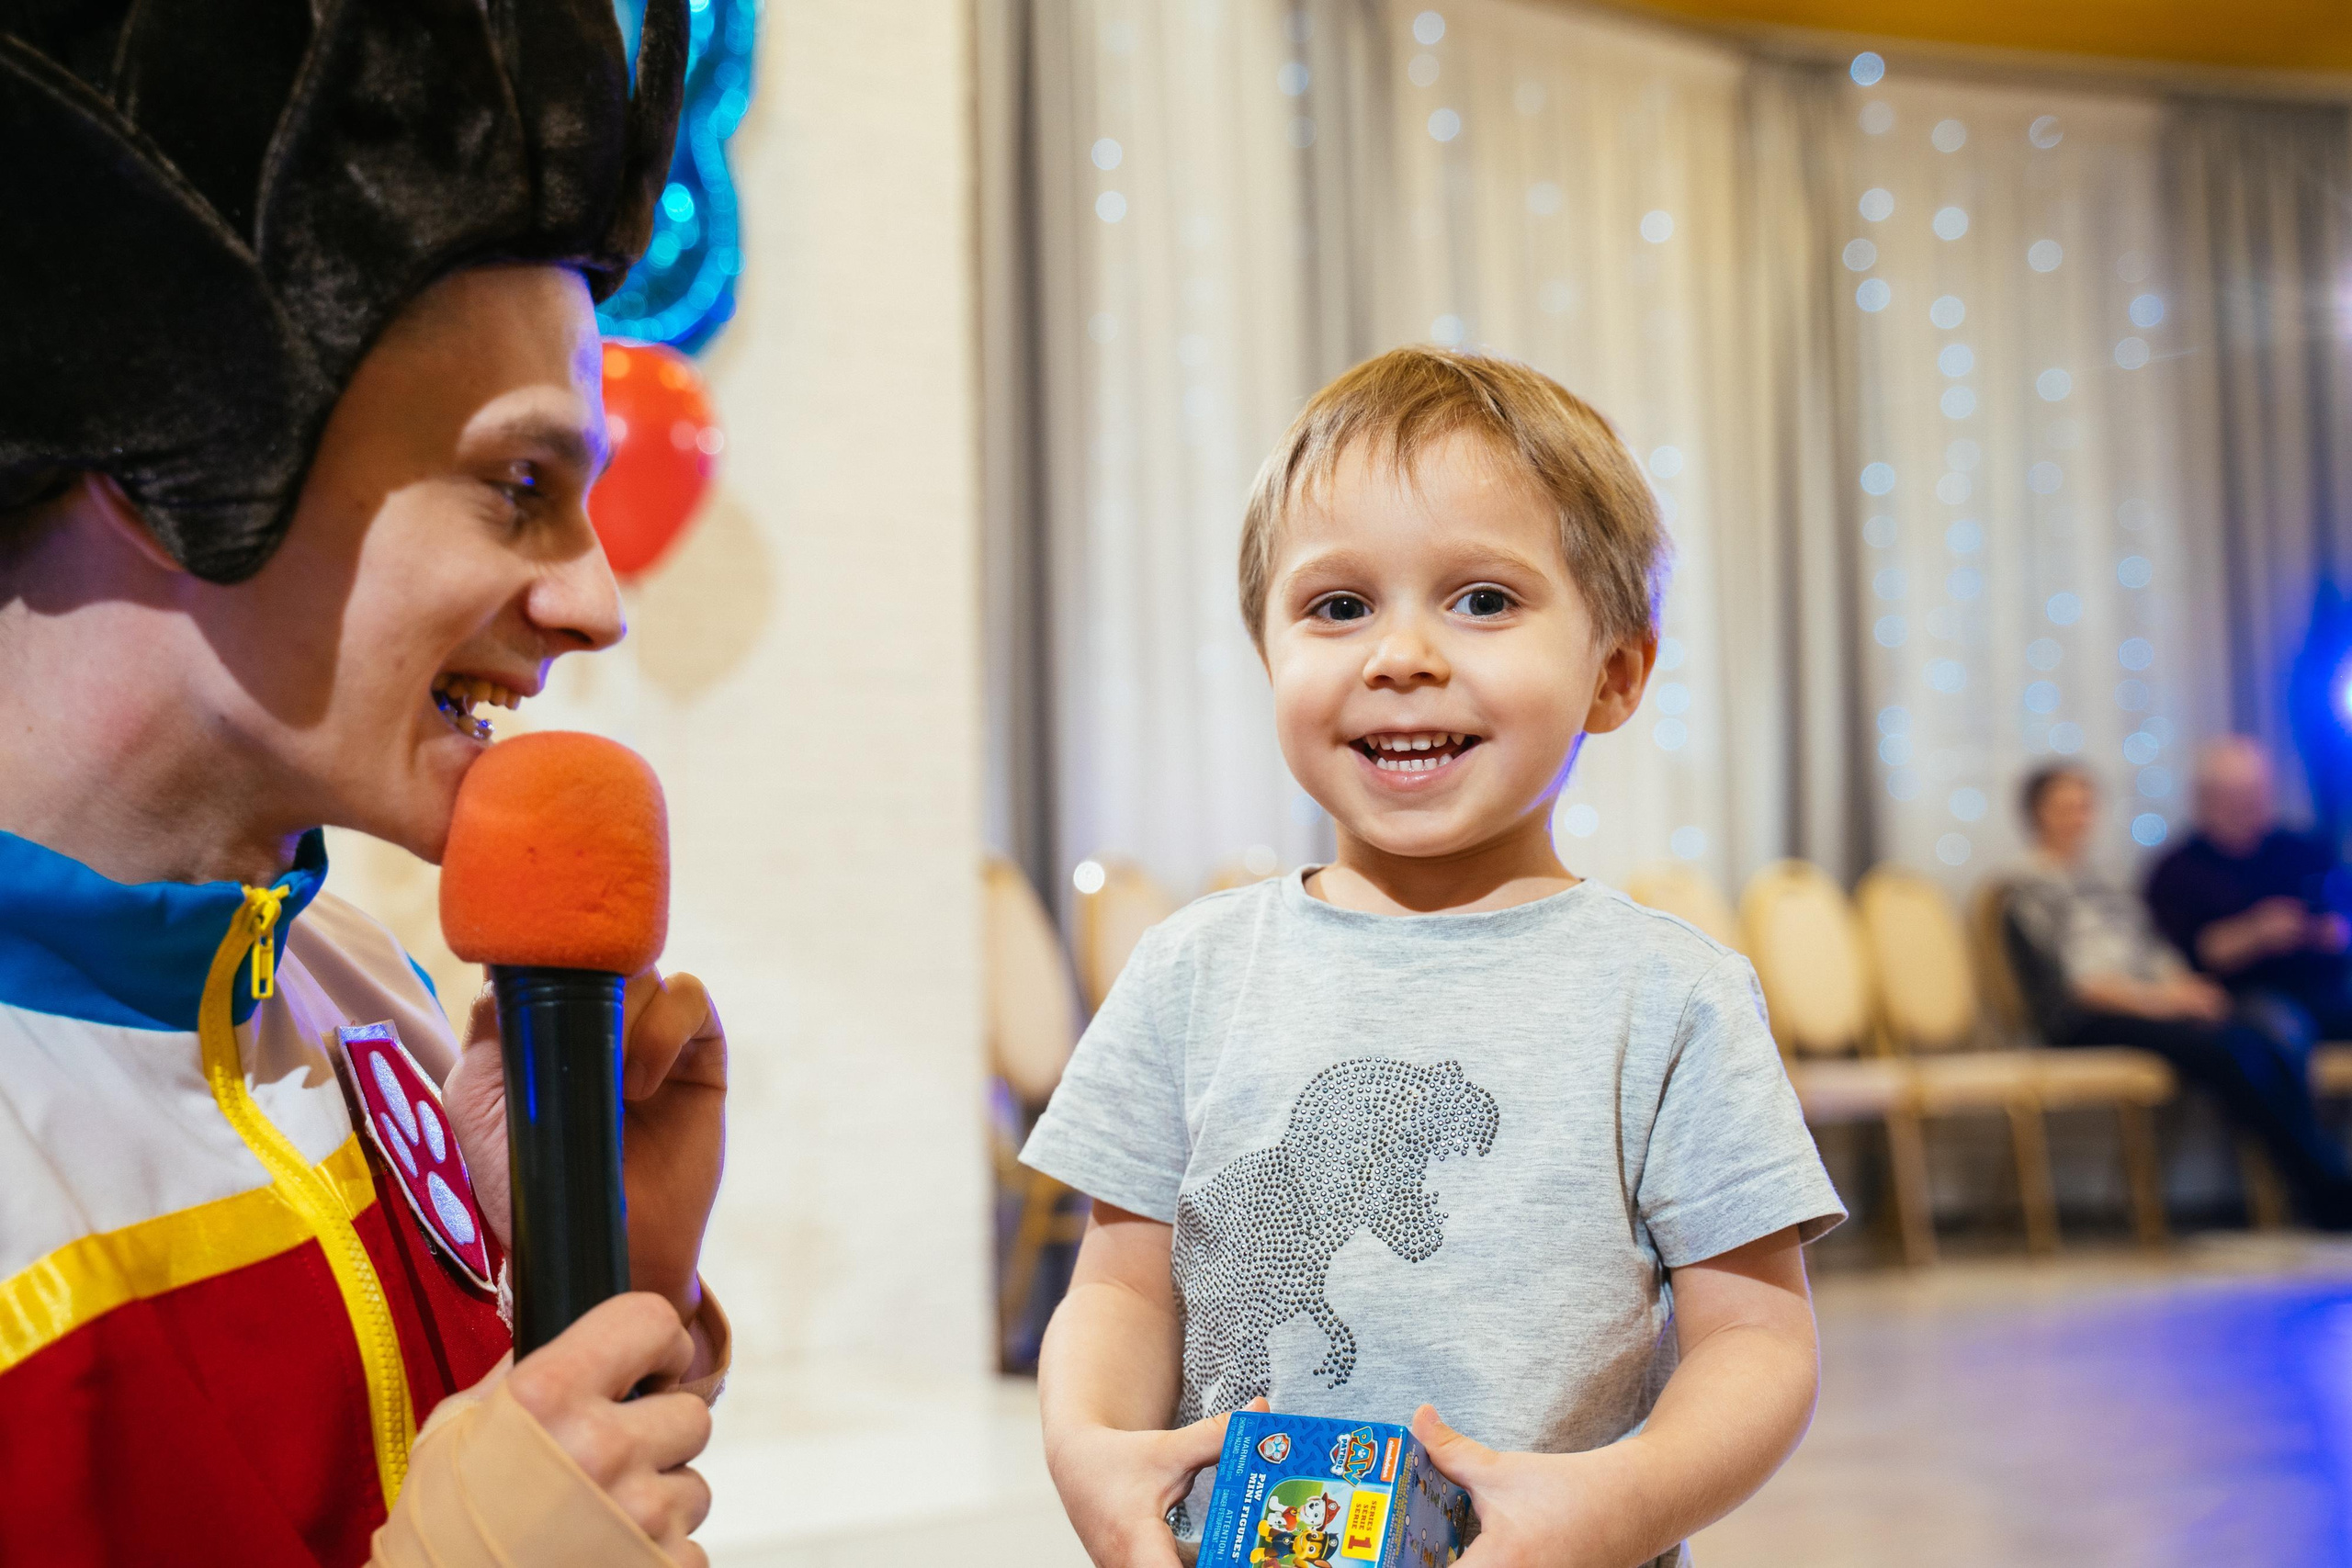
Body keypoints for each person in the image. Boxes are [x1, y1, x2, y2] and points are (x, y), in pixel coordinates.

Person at [0, 4, 729, 1563]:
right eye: (518, 486)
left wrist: (584, 1303)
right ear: (164, 434)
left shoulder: (363, 995)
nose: (600, 601)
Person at [1022, 348, 1844, 1568]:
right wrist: (1091, 1448)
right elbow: (1127, 1284)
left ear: (1614, 671)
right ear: (1268, 656)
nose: (1400, 654)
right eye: (1337, 606)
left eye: (1482, 599)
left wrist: (1623, 1500)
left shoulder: (1672, 997)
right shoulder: (1188, 969)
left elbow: (1758, 1338)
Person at [2005, 764, 2352, 1228]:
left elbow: (2151, 952)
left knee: (2262, 1031)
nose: (2077, 817)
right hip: (2087, 1017)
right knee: (2230, 1050)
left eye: (2084, 806)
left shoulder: (2102, 884)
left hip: (2150, 1003)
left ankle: (2322, 1178)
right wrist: (2164, 1002)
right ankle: (2322, 1188)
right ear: (2036, 815)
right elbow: (2079, 987)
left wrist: (2186, 988)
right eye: (2064, 807)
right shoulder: (2028, 890)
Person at [2146, 737, 2352, 1039]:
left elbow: (2342, 927)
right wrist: (2258, 933)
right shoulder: (2177, 870)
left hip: (2325, 986)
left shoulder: (2303, 851)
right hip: (2238, 998)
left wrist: (2316, 931)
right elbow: (2183, 958)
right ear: (2204, 798)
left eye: (2257, 791)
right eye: (2237, 795)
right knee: (2278, 1029)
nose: (2250, 804)